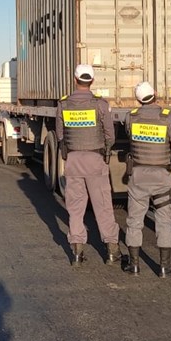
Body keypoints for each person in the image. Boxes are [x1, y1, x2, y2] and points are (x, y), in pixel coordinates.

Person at [55, 63, 121, 266]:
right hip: (95, 160)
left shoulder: (64, 104)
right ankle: (111, 251)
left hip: (73, 161)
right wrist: (105, 150)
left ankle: (76, 252)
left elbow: (60, 135)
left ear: (75, 80)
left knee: (75, 208)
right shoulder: (100, 104)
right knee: (103, 206)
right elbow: (110, 135)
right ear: (91, 81)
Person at [123, 82, 171, 277]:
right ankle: (164, 266)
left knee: (134, 221)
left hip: (138, 176)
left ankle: (134, 265)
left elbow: (129, 136)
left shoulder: (131, 117)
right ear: (156, 95)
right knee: (164, 221)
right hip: (161, 177)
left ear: (138, 99)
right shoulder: (168, 118)